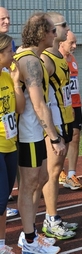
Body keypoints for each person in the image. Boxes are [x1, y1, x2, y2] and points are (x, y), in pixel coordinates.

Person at [15, 12, 65, 253]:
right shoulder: (31, 61)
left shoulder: (36, 58)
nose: (56, 34)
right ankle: (30, 240)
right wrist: (54, 137)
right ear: (42, 34)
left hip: (33, 131)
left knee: (41, 178)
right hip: (27, 132)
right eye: (52, 31)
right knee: (29, 183)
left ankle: (30, 234)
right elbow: (38, 104)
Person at [40, 12, 78, 240]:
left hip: (64, 119)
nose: (67, 27)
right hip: (53, 124)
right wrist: (51, 132)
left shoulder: (60, 56)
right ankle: (50, 220)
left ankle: (52, 216)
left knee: (54, 173)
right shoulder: (45, 59)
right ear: (53, 30)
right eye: (63, 25)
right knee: (51, 174)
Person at [0, 34, 25, 254]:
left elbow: (19, 108)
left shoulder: (8, 76)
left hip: (10, 144)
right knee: (0, 200)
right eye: (9, 51)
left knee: (3, 201)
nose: (13, 54)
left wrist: (17, 83)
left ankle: (1, 244)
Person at [59, 30, 82, 190]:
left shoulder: (73, 58)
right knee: (63, 140)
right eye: (72, 43)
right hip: (63, 107)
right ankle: (59, 170)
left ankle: (71, 173)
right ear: (61, 43)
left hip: (76, 104)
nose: (75, 46)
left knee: (75, 137)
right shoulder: (56, 60)